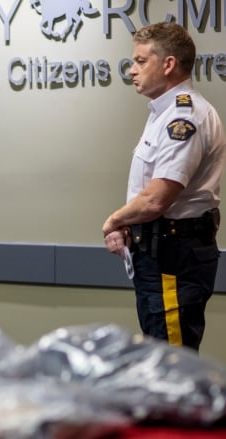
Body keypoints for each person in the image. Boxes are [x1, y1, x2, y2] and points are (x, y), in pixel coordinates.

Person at [102, 22, 226, 351]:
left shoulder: (183, 118)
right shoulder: (163, 113)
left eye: (141, 61)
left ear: (168, 64)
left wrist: (116, 219)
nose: (131, 70)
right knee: (162, 360)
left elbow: (157, 200)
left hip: (172, 259)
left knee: (170, 366)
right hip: (160, 255)